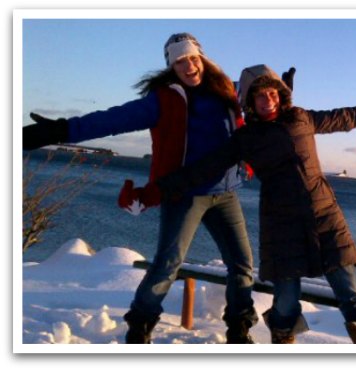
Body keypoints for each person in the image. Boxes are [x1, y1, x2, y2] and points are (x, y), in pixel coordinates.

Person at [22, 33, 260, 344]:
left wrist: (278, 104)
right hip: (184, 193)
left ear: (201, 58)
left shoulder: (225, 90)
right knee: (167, 264)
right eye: (179, 62)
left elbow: (252, 121)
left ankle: (239, 329)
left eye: (191, 58)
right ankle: (140, 325)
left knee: (242, 265)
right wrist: (62, 129)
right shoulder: (164, 99)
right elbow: (113, 119)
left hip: (226, 192)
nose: (188, 66)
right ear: (171, 67)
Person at [156, 64, 356, 344]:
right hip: (280, 224)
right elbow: (208, 166)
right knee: (286, 300)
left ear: (281, 94)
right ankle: (283, 342)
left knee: (348, 288)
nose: (268, 100)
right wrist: (160, 188)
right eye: (260, 95)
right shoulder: (247, 138)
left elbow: (343, 117)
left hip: (323, 214)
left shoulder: (300, 118)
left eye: (272, 93)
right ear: (250, 101)